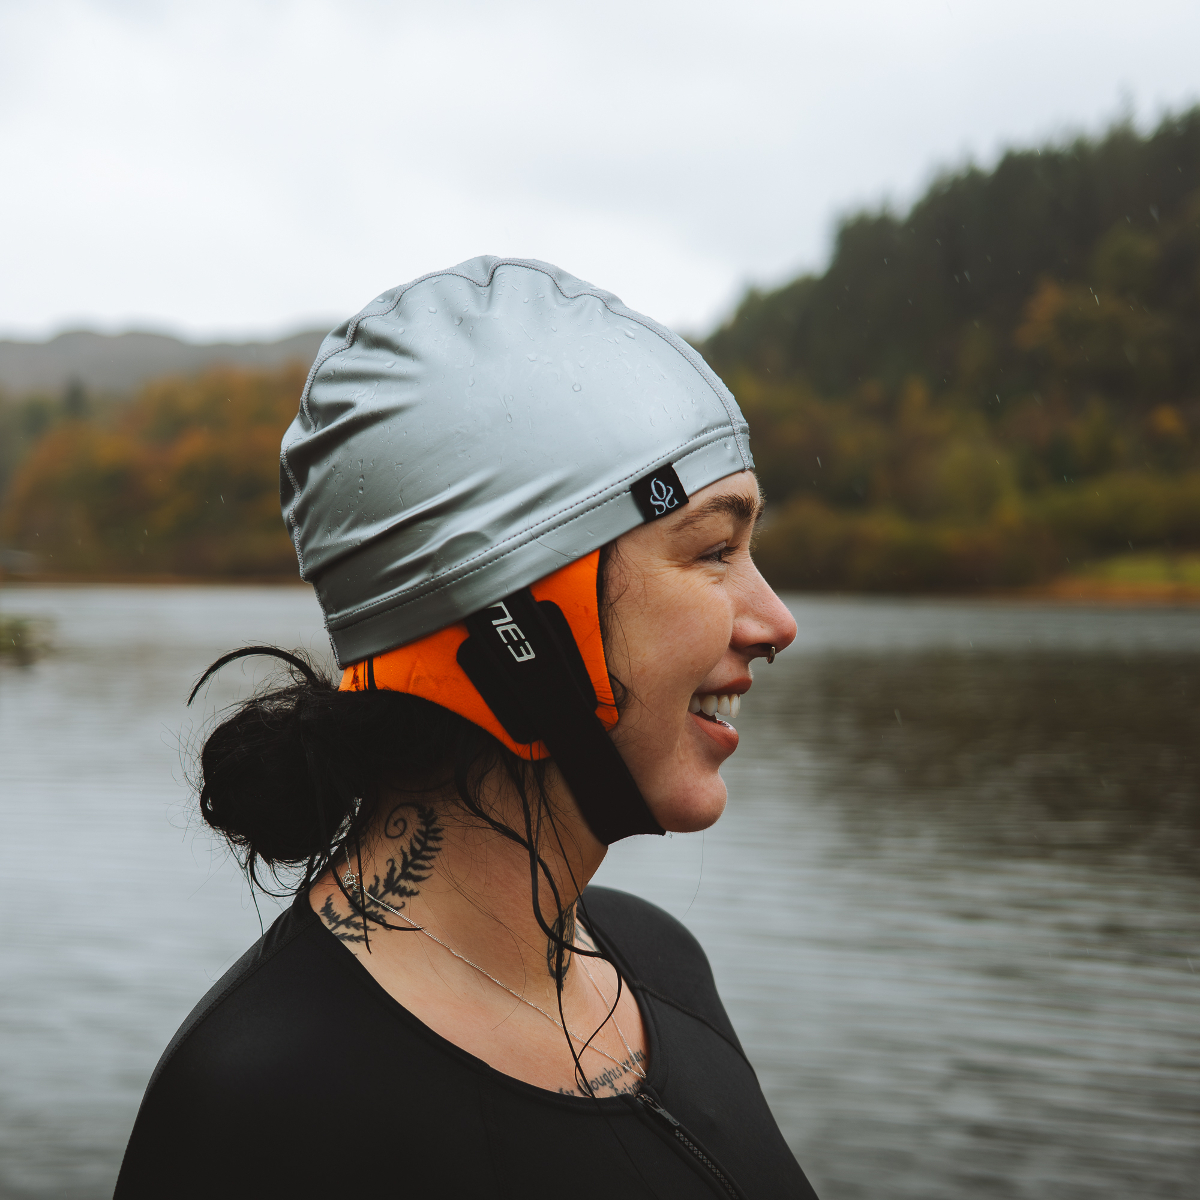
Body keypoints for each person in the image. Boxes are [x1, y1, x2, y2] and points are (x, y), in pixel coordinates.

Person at [114, 257, 815, 1199]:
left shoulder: (659, 964)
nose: (776, 622)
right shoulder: (267, 1103)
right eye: (715, 551)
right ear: (522, 622)